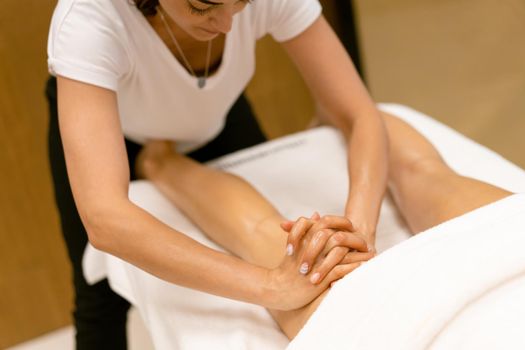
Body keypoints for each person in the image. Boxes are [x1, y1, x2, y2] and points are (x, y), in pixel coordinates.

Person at [46, 0, 387, 348]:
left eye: (242, 2)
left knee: (261, 228)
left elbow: (359, 114)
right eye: (201, 6)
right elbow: (105, 218)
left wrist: (358, 232)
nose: (226, 25)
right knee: (99, 302)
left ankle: (160, 161)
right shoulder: (89, 19)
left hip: (211, 113)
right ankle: (155, 161)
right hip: (115, 127)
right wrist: (270, 286)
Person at [135, 111, 514, 339]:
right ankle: (339, 112)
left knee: (270, 235)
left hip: (400, 331)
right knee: (424, 174)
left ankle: (158, 163)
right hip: (509, 278)